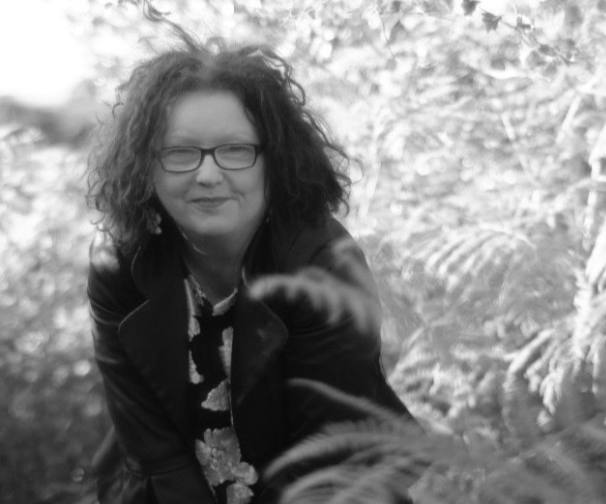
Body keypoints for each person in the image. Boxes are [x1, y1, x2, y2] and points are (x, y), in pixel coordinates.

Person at [86, 34, 414, 503]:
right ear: (146, 166)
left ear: (271, 160)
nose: (207, 174)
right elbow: (154, 451)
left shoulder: (323, 265)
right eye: (179, 152)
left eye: (235, 149)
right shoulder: (118, 263)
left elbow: (326, 463)